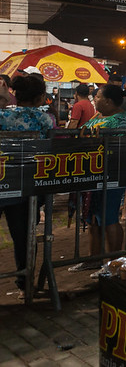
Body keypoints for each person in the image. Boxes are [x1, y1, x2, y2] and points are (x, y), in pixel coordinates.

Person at [69, 85, 126, 273]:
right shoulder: (99, 117)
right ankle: (93, 259)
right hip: (92, 174)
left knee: (108, 218)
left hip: (111, 176)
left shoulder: (121, 121)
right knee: (92, 219)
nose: (94, 100)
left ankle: (114, 263)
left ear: (108, 101)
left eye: (96, 97)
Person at [0, 76, 53, 297]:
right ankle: (26, 285)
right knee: (24, 237)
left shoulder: (3, 116)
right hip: (27, 186)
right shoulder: (45, 120)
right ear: (40, 97)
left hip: (2, 179)